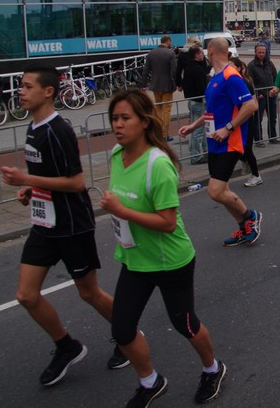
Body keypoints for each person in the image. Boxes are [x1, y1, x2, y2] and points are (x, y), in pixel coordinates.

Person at [0, 64, 126, 385]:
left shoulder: (58, 130)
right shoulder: (33, 127)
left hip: (72, 224)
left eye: (27, 86)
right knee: (26, 295)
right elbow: (48, 174)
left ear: (48, 92)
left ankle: (127, 336)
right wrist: (31, 189)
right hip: (44, 223)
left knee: (88, 293)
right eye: (21, 85)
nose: (21, 92)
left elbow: (75, 182)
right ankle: (66, 346)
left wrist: (27, 179)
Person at [100, 90, 226, 407]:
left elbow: (168, 222)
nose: (117, 125)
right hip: (135, 259)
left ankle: (212, 369)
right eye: (114, 118)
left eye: (125, 118)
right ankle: (150, 381)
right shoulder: (117, 155)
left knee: (185, 324)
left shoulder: (158, 165)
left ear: (144, 122)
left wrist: (121, 210)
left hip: (171, 261)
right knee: (122, 329)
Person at [178, 38, 261, 247]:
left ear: (211, 51)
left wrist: (228, 128)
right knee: (222, 191)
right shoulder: (215, 77)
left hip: (230, 142)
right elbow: (211, 111)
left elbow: (250, 106)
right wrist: (193, 126)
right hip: (214, 141)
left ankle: (250, 216)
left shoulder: (231, 76)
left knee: (215, 191)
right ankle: (244, 227)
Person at [231, 57, 263, 187]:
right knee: (234, 147)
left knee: (247, 148)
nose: (228, 68)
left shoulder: (244, 83)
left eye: (232, 66)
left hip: (247, 120)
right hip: (235, 120)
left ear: (239, 68)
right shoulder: (229, 83)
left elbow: (254, 104)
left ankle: (256, 175)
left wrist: (249, 113)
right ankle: (244, 160)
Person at [175, 44, 209, 164]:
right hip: (199, 101)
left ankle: (200, 152)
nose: (203, 55)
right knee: (198, 130)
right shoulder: (198, 69)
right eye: (201, 53)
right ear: (196, 55)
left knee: (196, 128)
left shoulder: (188, 67)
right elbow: (201, 87)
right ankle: (196, 156)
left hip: (192, 101)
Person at [142, 35, 177, 141]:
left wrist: (143, 84)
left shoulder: (151, 53)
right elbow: (174, 70)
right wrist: (176, 83)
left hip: (155, 85)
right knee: (167, 109)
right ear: (168, 41)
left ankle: (159, 132)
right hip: (167, 85)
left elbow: (146, 70)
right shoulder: (170, 53)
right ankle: (165, 134)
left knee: (158, 108)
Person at [246, 43, 280, 147]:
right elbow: (249, 82)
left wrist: (274, 89)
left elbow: (275, 76)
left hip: (271, 95)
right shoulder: (251, 65)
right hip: (260, 97)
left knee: (272, 117)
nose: (261, 54)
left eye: (263, 52)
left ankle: (273, 137)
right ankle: (258, 140)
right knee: (258, 119)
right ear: (255, 52)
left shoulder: (269, 63)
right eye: (259, 52)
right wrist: (257, 93)